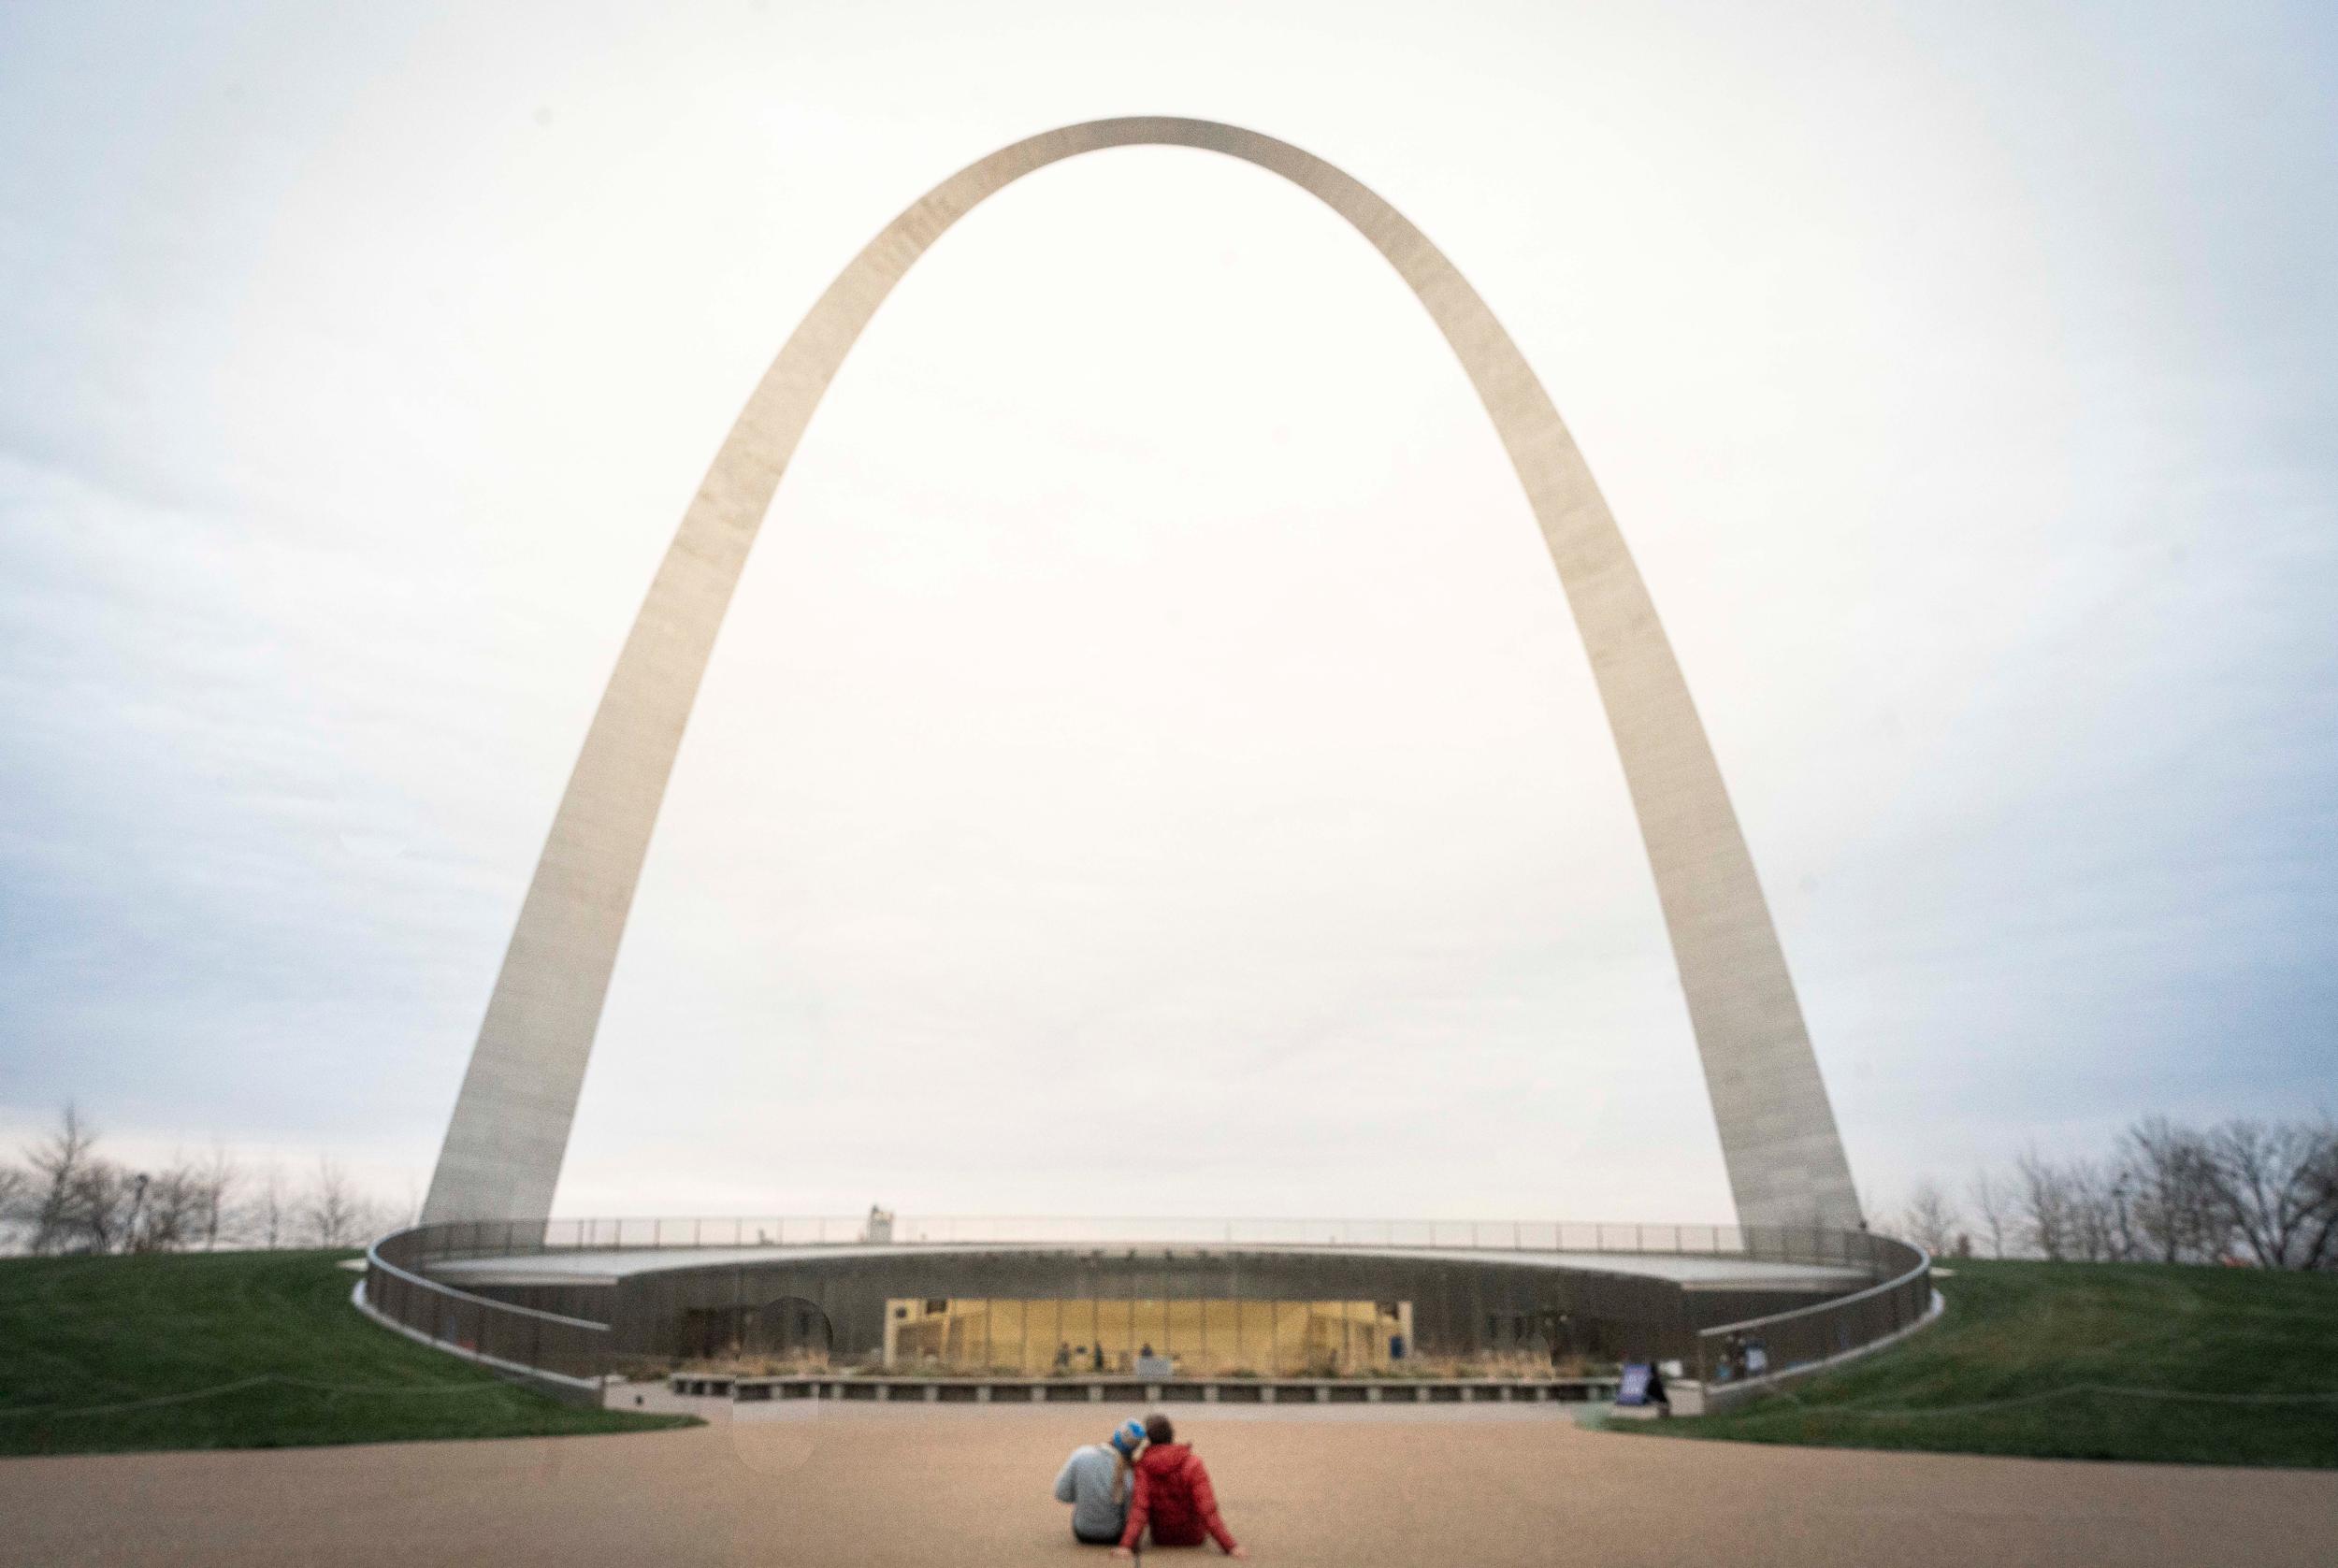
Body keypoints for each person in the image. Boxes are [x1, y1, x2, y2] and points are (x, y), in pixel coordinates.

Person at [1114, 1414, 1246, 1559]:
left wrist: (1126, 1545)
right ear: (1172, 1434)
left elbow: (1139, 1509)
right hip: (1194, 1537)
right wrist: (1231, 1546)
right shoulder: (1193, 1463)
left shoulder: (1143, 1467)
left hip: (1162, 1538)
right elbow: (1208, 1509)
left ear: (1149, 1439)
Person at [1055, 1418, 1147, 1546]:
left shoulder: (1081, 1455)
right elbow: (1128, 1513)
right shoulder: (1129, 1474)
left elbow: (1061, 1494)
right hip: (1113, 1535)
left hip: (1083, 1532)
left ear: (1115, 1435)